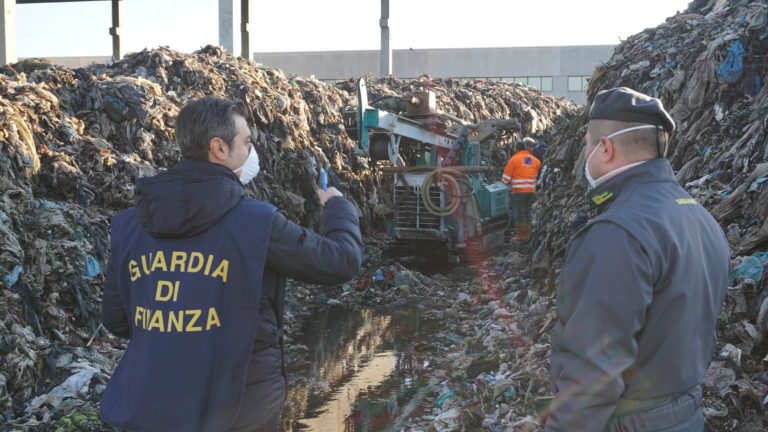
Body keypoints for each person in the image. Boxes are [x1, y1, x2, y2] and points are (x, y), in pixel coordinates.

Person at [99, 96, 363, 432]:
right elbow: (340, 262)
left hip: (155, 400)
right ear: (219, 148)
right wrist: (338, 208)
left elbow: (117, 320)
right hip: (241, 405)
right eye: (247, 142)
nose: (253, 152)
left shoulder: (127, 225)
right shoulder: (258, 222)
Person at [546, 87, 729, 431]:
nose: (585, 152)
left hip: (633, 422)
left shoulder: (618, 231)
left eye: (587, 144)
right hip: (687, 413)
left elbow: (593, 368)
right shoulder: (700, 217)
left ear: (606, 148)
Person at [501, 137, 541, 241]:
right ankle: (528, 233)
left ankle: (523, 236)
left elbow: (506, 178)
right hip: (532, 191)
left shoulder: (514, 160)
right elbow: (535, 173)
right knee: (528, 211)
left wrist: (504, 183)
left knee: (520, 213)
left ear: (517, 150)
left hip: (519, 192)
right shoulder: (536, 161)